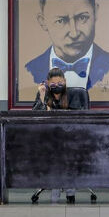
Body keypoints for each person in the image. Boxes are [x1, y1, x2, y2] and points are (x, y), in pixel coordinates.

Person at [25, 0, 109, 90]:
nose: (74, 33)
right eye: (61, 21)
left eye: (82, 17)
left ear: (95, 12)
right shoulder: (30, 70)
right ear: (43, 22)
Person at [32, 68, 88, 203]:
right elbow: (35, 116)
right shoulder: (44, 94)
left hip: (71, 138)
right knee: (53, 152)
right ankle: (59, 193)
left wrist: (52, 110)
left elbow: (77, 116)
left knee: (63, 154)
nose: (56, 86)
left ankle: (67, 191)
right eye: (53, 84)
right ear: (47, 83)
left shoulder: (73, 94)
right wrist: (41, 96)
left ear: (65, 81)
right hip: (49, 138)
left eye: (60, 83)